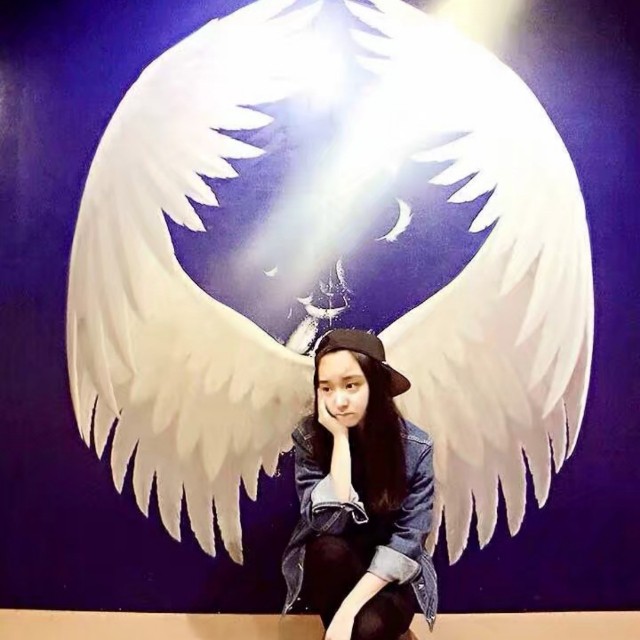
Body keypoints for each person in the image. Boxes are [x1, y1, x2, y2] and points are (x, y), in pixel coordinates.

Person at [281, 329, 438, 640]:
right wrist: (339, 440)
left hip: (391, 577)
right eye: (326, 388)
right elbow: (326, 523)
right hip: (339, 565)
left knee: (366, 628)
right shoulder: (310, 438)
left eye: (351, 385)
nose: (338, 400)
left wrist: (347, 611)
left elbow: (408, 540)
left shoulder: (416, 447)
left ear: (375, 385)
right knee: (326, 550)